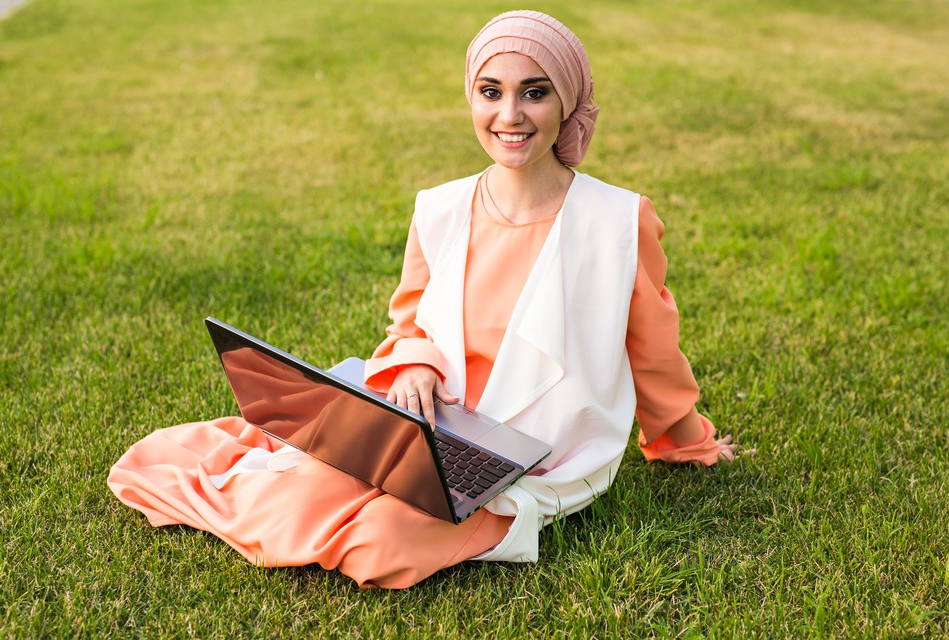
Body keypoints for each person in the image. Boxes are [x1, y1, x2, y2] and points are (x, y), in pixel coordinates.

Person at [108, 10, 742, 590]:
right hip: (437, 419)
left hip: (533, 453)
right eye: (490, 92)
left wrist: (684, 440)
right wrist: (412, 363)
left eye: (535, 92)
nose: (510, 115)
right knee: (300, 491)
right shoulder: (440, 208)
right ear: (471, 97)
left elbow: (654, 351)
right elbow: (409, 319)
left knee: (382, 544)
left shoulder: (618, 221)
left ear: (567, 100)